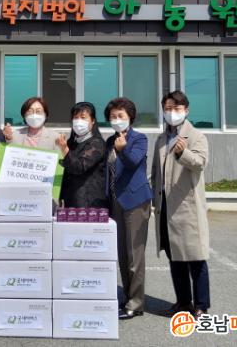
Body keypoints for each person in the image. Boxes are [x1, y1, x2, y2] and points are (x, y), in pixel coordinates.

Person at [151, 90, 210, 319]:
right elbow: (156, 172)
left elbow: (200, 163)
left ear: (186, 110)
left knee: (195, 258)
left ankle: (201, 306)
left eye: (176, 109)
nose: (172, 113)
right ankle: (183, 302)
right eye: (167, 109)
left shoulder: (196, 136)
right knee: (174, 257)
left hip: (187, 207)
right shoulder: (161, 139)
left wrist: (183, 152)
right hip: (166, 206)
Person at [104, 98, 153, 320]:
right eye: (113, 116)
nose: (117, 120)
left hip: (135, 201)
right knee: (122, 254)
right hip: (116, 201)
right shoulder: (109, 140)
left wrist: (122, 150)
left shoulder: (139, 138)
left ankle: (136, 303)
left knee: (135, 255)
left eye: (120, 116)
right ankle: (127, 297)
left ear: (130, 117)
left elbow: (133, 162)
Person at [57, 102, 107, 208]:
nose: (79, 121)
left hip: (89, 202)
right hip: (71, 199)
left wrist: (64, 149)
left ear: (93, 121)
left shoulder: (97, 143)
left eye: (83, 117)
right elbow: (65, 171)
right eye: (76, 117)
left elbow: (79, 167)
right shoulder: (71, 142)